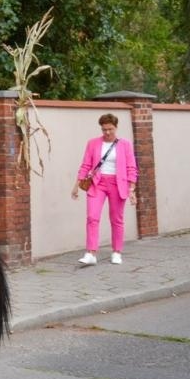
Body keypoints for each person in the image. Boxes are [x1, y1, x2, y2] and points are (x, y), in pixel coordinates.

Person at [72, 113, 139, 265]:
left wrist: (131, 189)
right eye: (104, 129)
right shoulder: (93, 143)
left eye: (110, 129)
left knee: (116, 219)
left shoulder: (125, 144)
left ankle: (116, 252)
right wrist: (76, 185)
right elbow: (85, 165)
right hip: (98, 183)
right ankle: (91, 253)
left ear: (116, 127)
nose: (107, 132)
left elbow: (131, 168)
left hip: (118, 184)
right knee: (92, 217)